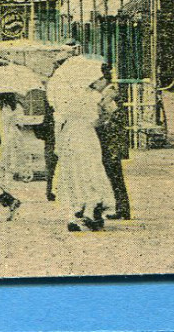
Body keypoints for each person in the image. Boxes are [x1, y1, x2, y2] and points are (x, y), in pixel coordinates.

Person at [50, 69, 115, 231]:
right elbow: (99, 119)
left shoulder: (64, 98)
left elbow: (58, 122)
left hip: (69, 138)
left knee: (72, 175)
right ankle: (89, 211)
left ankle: (72, 216)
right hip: (86, 137)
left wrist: (57, 144)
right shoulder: (93, 96)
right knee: (91, 173)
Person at [96, 77, 131, 221]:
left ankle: (122, 208)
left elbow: (111, 117)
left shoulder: (110, 94)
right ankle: (121, 208)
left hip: (112, 142)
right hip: (112, 141)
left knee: (115, 175)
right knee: (115, 176)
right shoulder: (109, 93)